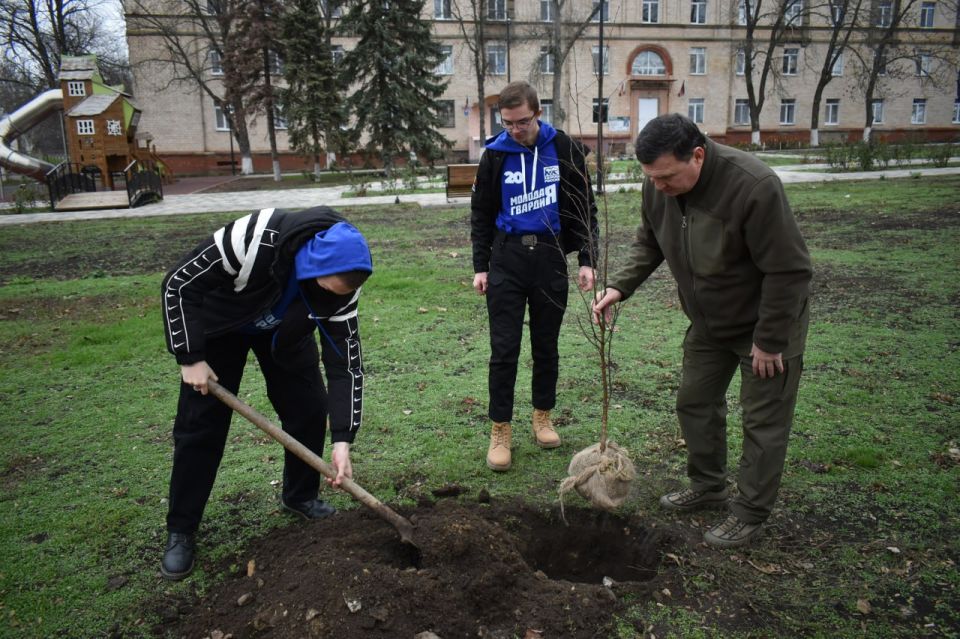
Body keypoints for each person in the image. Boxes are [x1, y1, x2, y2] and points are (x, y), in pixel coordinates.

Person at [593, 114, 812, 548]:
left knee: (762, 422)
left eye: (667, 177)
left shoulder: (753, 186)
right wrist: (621, 285)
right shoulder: (659, 184)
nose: (658, 186)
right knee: (694, 402)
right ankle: (709, 484)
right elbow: (649, 241)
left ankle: (749, 512)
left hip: (764, 327)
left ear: (698, 155)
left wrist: (770, 342)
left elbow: (789, 270)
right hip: (709, 323)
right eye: (651, 178)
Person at [159, 206, 372, 579]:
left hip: (285, 331)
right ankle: (181, 529)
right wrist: (189, 356)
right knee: (200, 428)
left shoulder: (342, 290)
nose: (331, 300)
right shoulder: (250, 239)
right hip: (219, 326)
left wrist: (342, 439)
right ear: (312, 265)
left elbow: (346, 364)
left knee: (309, 408)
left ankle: (300, 495)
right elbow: (178, 284)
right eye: (325, 289)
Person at [471, 80, 599, 472]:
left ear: (538, 113)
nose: (515, 130)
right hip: (507, 259)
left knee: (546, 345)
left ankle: (542, 416)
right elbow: (480, 212)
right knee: (504, 350)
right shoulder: (495, 154)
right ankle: (500, 430)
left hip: (549, 257)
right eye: (508, 123)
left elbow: (583, 207)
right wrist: (481, 265)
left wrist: (587, 258)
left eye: (522, 122)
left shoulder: (563, 148)